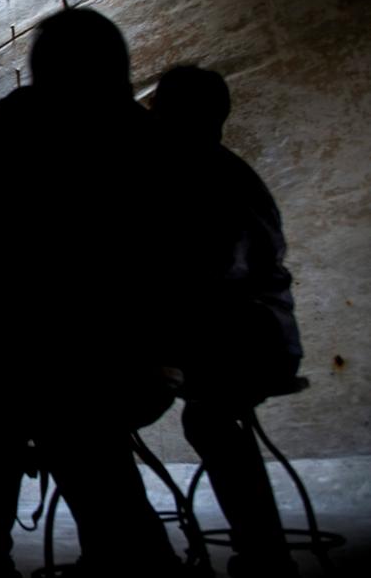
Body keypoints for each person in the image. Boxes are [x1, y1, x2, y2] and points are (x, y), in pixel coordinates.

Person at [0, 8, 180, 575]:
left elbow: (6, 245)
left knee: (29, 407)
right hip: (146, 362)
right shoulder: (142, 132)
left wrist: (5, 333)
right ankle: (123, 551)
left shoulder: (22, 121)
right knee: (65, 413)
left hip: (71, 360)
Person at [152, 65, 303, 578]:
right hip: (261, 334)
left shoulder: (204, 177)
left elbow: (212, 275)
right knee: (208, 415)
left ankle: (263, 552)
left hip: (250, 338)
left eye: (159, 109)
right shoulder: (224, 170)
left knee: (206, 417)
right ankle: (262, 548)